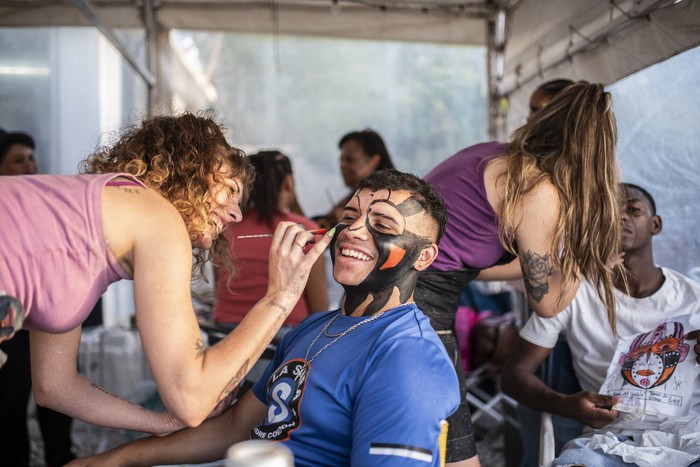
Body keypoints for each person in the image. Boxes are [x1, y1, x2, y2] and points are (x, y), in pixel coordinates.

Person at [67, 169, 464, 467]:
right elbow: (235, 428)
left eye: (381, 225)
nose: (353, 231)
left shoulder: (406, 357)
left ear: (424, 256)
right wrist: (116, 460)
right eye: (349, 215)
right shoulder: (312, 328)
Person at [0, 112, 334, 436]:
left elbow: (56, 386)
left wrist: (161, 423)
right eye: (230, 189)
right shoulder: (158, 218)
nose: (235, 214)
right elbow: (191, 398)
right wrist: (280, 296)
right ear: (190, 168)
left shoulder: (82, 222)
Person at [415, 82, 623, 465]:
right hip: (416, 305)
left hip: (412, 291)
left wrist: (563, 262)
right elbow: (546, 303)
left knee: (440, 438)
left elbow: (472, 265)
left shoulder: (494, 157)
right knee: (453, 444)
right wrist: (581, 256)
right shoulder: (538, 187)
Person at [501, 183, 700, 466]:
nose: (620, 217)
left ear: (655, 225)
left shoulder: (695, 299)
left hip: (689, 439)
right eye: (609, 210)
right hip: (608, 443)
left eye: (633, 209)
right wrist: (565, 404)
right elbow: (513, 375)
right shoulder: (569, 295)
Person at [0, 130, 77, 467]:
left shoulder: (41, 205)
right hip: (10, 322)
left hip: (46, 314)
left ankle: (61, 458)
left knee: (57, 401)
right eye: (19, 160)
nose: (30, 165)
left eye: (31, 157)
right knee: (9, 403)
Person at [213, 150, 329, 328]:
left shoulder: (224, 227)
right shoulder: (305, 232)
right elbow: (319, 311)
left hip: (223, 333)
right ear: (288, 183)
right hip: (282, 338)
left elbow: (217, 288)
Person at [314, 128, 395, 230]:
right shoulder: (351, 196)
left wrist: (346, 224)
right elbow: (314, 227)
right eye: (341, 160)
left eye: (349, 159)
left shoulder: (388, 199)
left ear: (374, 161)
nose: (342, 165)